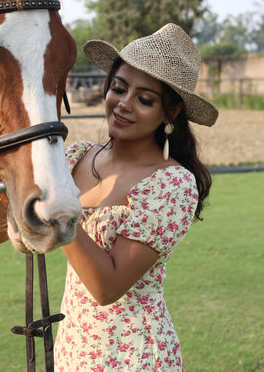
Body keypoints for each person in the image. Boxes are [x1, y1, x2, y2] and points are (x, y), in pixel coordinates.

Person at [54, 23, 218, 371]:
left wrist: (57, 203)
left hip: (133, 355)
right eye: (119, 88)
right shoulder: (76, 157)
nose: (124, 104)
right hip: (72, 347)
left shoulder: (172, 185)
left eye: (145, 99)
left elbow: (107, 287)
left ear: (171, 112)